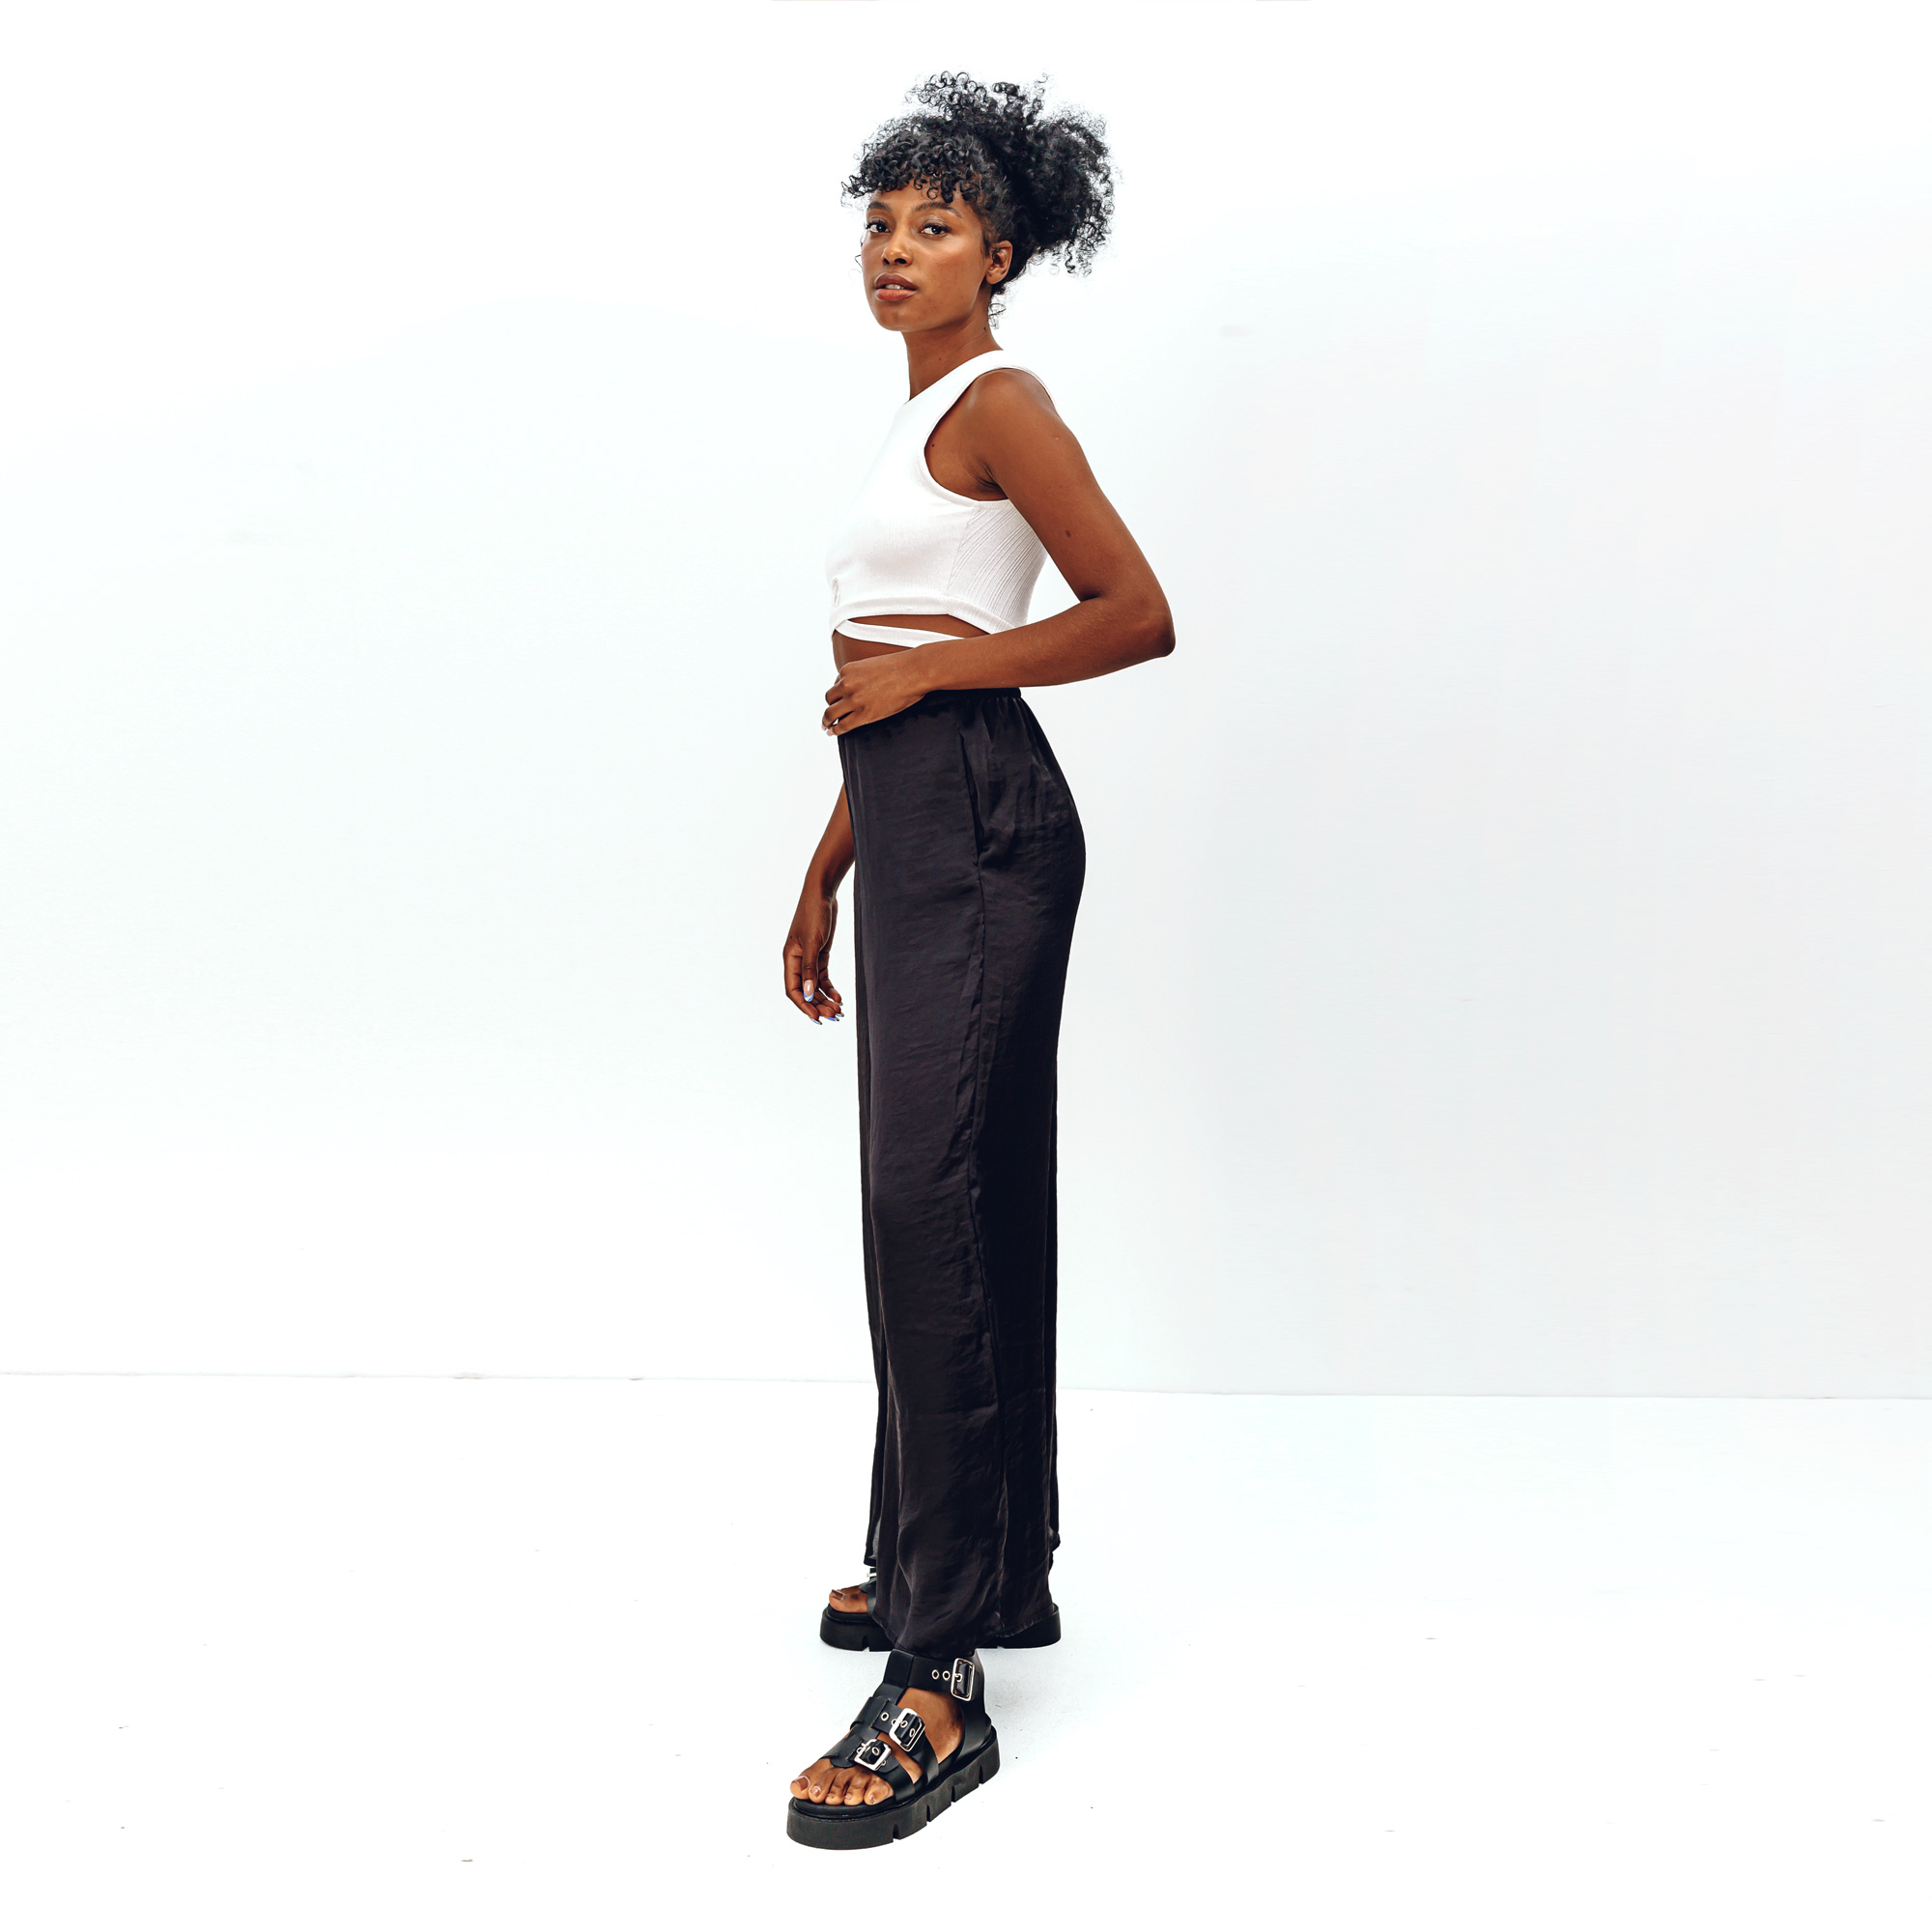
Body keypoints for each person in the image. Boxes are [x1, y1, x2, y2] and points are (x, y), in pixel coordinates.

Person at [781, 73, 1174, 1850]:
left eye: (934, 226)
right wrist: (826, 869)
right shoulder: (914, 422)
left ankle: (937, 1675)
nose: (895, 250)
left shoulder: (1003, 400)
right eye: (880, 223)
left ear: (1000, 253)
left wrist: (939, 676)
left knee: (926, 1203)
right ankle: (966, 1560)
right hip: (914, 819)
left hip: (989, 819)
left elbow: (1134, 611)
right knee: (946, 1199)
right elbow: (884, 666)